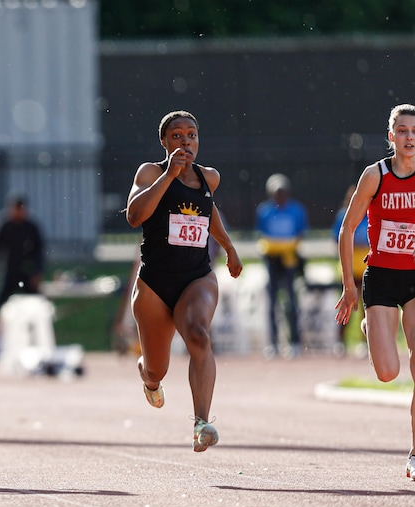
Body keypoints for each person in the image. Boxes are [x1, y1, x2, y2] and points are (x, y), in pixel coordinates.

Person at [335, 103, 415, 481]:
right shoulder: (374, 175)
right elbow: (347, 230)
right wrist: (348, 286)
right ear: (391, 137)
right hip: (381, 278)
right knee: (388, 372)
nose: (409, 137)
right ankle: (370, 324)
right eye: (402, 131)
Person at [125, 110, 242, 452]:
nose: (185, 142)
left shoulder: (209, 177)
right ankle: (147, 375)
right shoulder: (150, 172)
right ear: (164, 142)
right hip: (154, 284)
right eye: (177, 136)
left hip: (196, 277)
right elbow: (135, 215)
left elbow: (209, 211)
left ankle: (202, 423)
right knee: (156, 370)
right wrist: (170, 176)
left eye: (191, 135)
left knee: (198, 334)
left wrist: (229, 246)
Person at [255, 173, 309, 359]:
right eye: (276, 193)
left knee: (291, 301)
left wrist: (290, 247)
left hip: (289, 260)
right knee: (272, 302)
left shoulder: (296, 210)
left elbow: (301, 234)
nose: (280, 196)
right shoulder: (265, 211)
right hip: (271, 259)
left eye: (282, 192)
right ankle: (273, 344)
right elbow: (261, 234)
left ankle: (294, 342)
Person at [0, 193, 45, 331]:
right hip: (8, 271)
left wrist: (38, 272)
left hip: (27, 272)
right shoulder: (4, 225)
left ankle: (36, 329)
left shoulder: (31, 227)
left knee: (37, 302)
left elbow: (39, 252)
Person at [331, 185, 369, 356]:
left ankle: (365, 342)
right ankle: (340, 342)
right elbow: (337, 238)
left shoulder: (370, 214)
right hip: (350, 267)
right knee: (346, 305)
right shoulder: (343, 216)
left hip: (367, 266)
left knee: (366, 307)